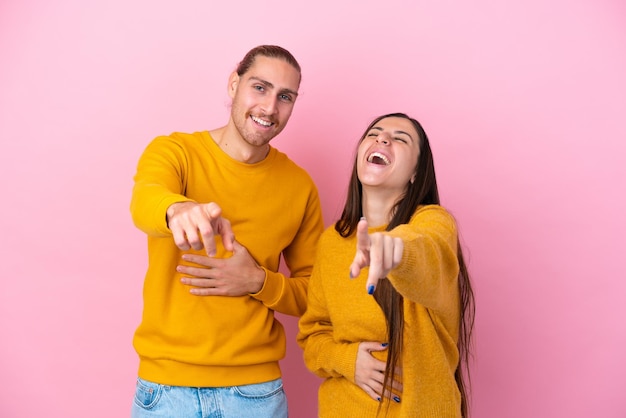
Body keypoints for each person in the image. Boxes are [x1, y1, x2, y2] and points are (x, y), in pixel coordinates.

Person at [129, 45, 324, 418]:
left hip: (256, 395)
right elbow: (145, 199)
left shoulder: (299, 186)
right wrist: (178, 209)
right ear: (234, 84)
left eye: (286, 97)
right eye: (260, 87)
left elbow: (315, 293)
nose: (270, 108)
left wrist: (257, 281)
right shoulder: (176, 152)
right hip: (166, 390)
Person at [297, 113, 476, 417]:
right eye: (374, 133)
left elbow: (429, 251)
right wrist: (346, 359)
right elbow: (314, 335)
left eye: (400, 138)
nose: (382, 139)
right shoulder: (332, 242)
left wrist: (396, 251)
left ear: (416, 173)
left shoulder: (433, 223)